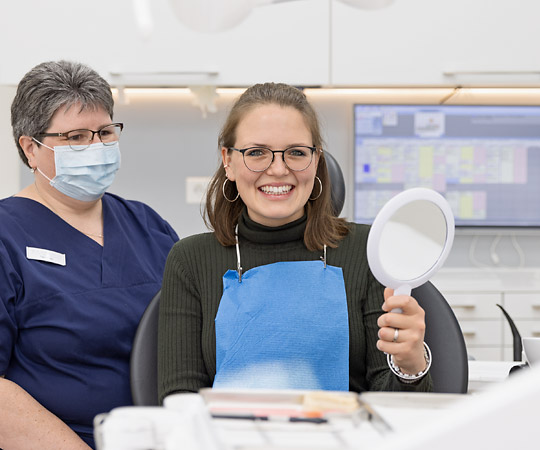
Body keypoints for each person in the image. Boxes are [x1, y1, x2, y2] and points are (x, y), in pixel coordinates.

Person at [157, 82, 432, 403]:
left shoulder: (369, 251)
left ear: (316, 160)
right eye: (256, 153)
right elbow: (180, 400)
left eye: (296, 153)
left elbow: (395, 408)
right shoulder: (190, 260)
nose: (278, 169)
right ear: (228, 161)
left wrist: (410, 363)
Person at [0, 60, 179, 449]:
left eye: (104, 132)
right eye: (76, 137)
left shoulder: (147, 225)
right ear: (30, 147)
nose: (95, 147)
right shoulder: (6, 236)